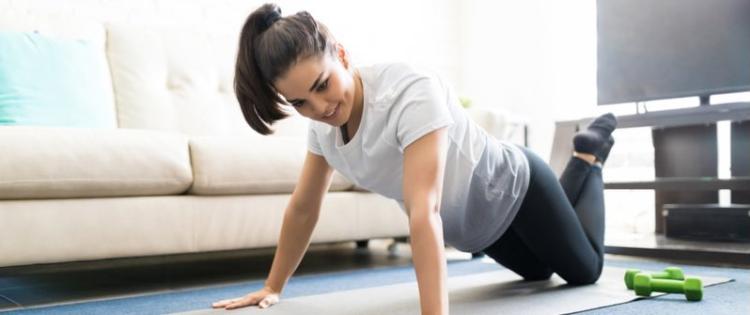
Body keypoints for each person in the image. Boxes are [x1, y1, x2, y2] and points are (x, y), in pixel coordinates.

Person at [212, 3, 617, 314]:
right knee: (538, 273)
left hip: (515, 187)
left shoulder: (409, 92)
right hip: (476, 231)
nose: (320, 107)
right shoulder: (322, 130)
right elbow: (303, 208)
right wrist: (273, 286)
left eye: (323, 84)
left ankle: (586, 155)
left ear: (342, 54)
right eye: (301, 102)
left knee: (585, 272)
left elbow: (424, 211)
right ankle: (580, 168)